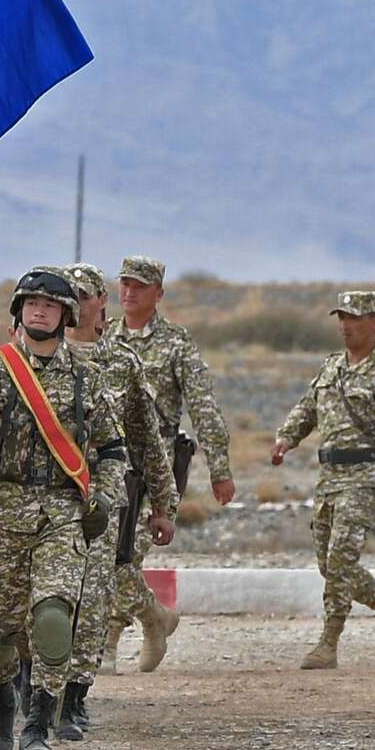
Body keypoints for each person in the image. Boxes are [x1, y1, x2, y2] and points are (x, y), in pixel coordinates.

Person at [0, 268, 125, 750]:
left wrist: (104, 498)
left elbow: (112, 450)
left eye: (50, 305)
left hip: (61, 513)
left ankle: (37, 724)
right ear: (18, 311)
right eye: (30, 303)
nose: (39, 310)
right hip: (2, 515)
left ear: (66, 316)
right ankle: (4, 701)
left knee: (53, 619)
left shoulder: (85, 379)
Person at [272, 291, 375, 669]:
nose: (345, 325)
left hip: (367, 476)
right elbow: (308, 407)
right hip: (329, 476)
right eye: (341, 317)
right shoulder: (331, 368)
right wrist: (286, 438)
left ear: (374, 322)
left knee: (341, 557)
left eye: (354, 318)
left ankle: (329, 643)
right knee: (329, 564)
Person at [102, 256, 233, 673]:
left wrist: (220, 468)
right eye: (124, 284)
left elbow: (203, 407)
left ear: (158, 293)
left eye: (139, 286)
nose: (129, 293)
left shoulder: (177, 344)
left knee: (124, 557)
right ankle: (154, 618)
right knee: (109, 554)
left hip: (156, 467)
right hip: (110, 463)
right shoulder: (105, 339)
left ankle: (107, 644)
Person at [62, 263, 176, 738]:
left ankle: (73, 695)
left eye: (82, 295)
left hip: (102, 496)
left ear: (99, 302)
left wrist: (163, 503)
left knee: (93, 597)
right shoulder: (33, 360)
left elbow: (147, 438)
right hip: (40, 497)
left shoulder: (121, 363)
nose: (73, 304)